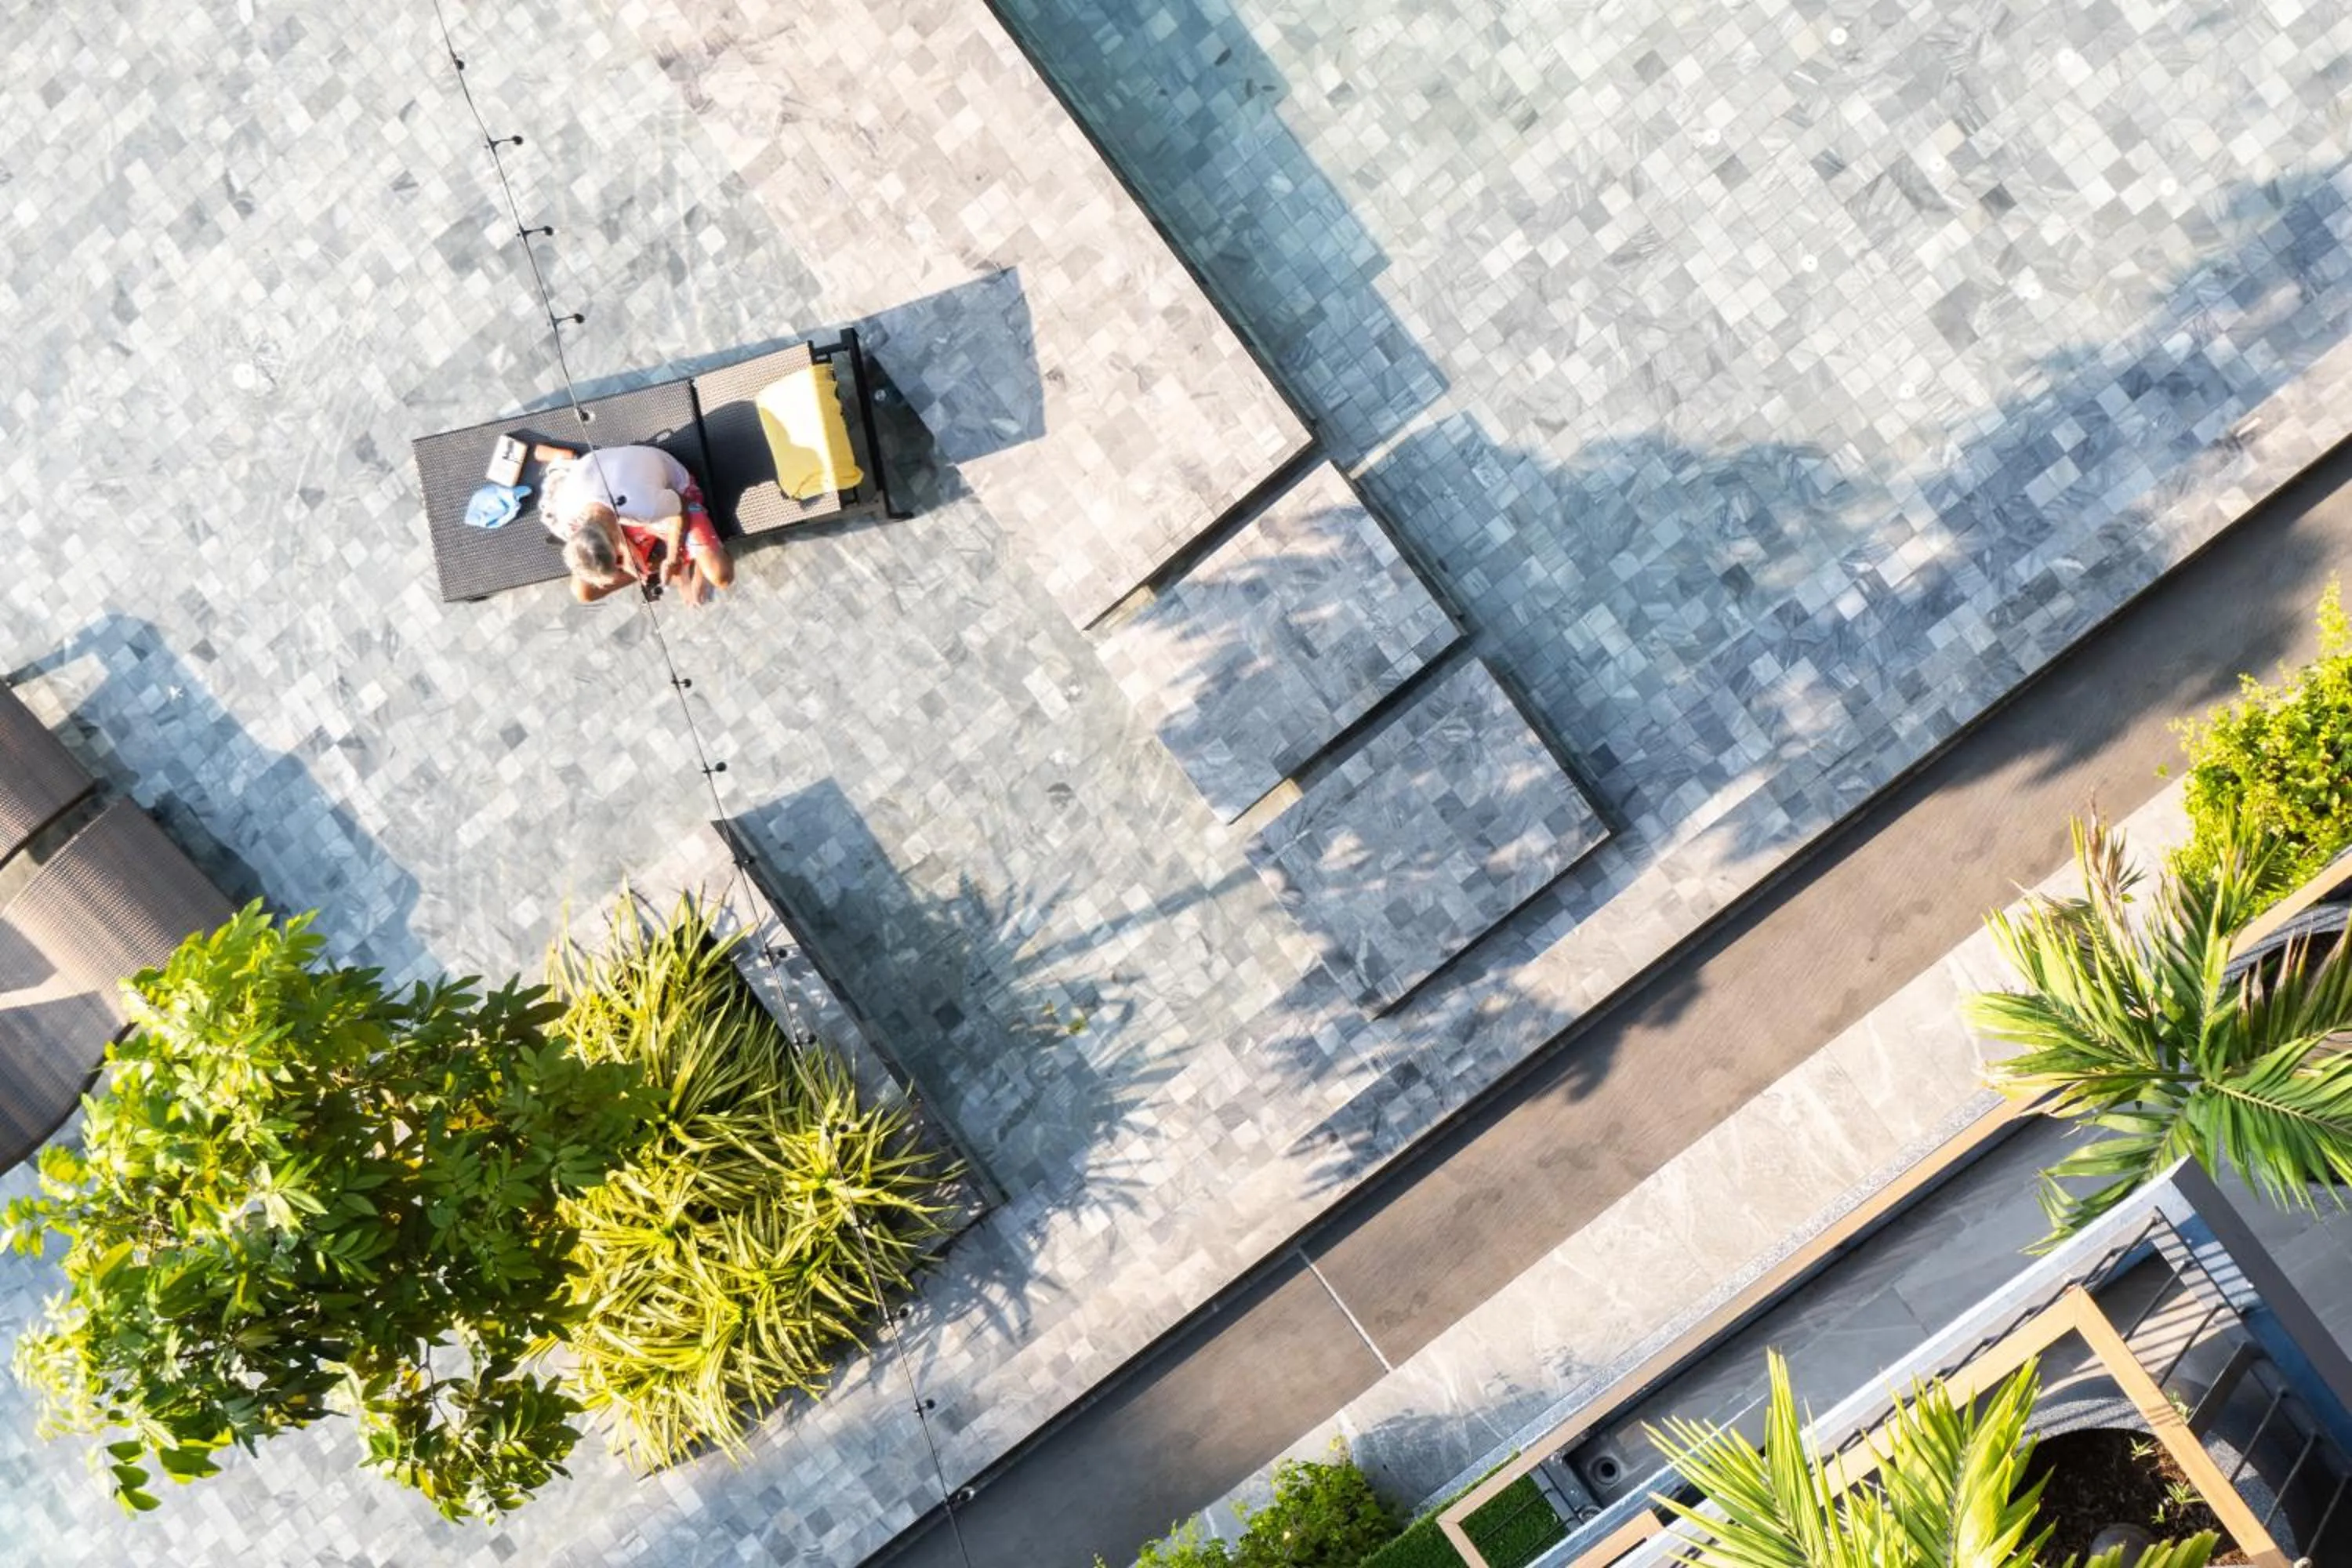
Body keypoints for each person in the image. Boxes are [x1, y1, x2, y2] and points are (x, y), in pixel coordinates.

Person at [541, 444, 735, 605]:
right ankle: (657, 569)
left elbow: (682, 507)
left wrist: (673, 558)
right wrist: (628, 551)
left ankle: (684, 563)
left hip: (672, 496)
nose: (621, 566)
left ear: (614, 541)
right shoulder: (566, 513)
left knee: (721, 576)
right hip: (620, 504)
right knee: (582, 592)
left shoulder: (645, 508)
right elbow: (605, 525)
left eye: (618, 561)